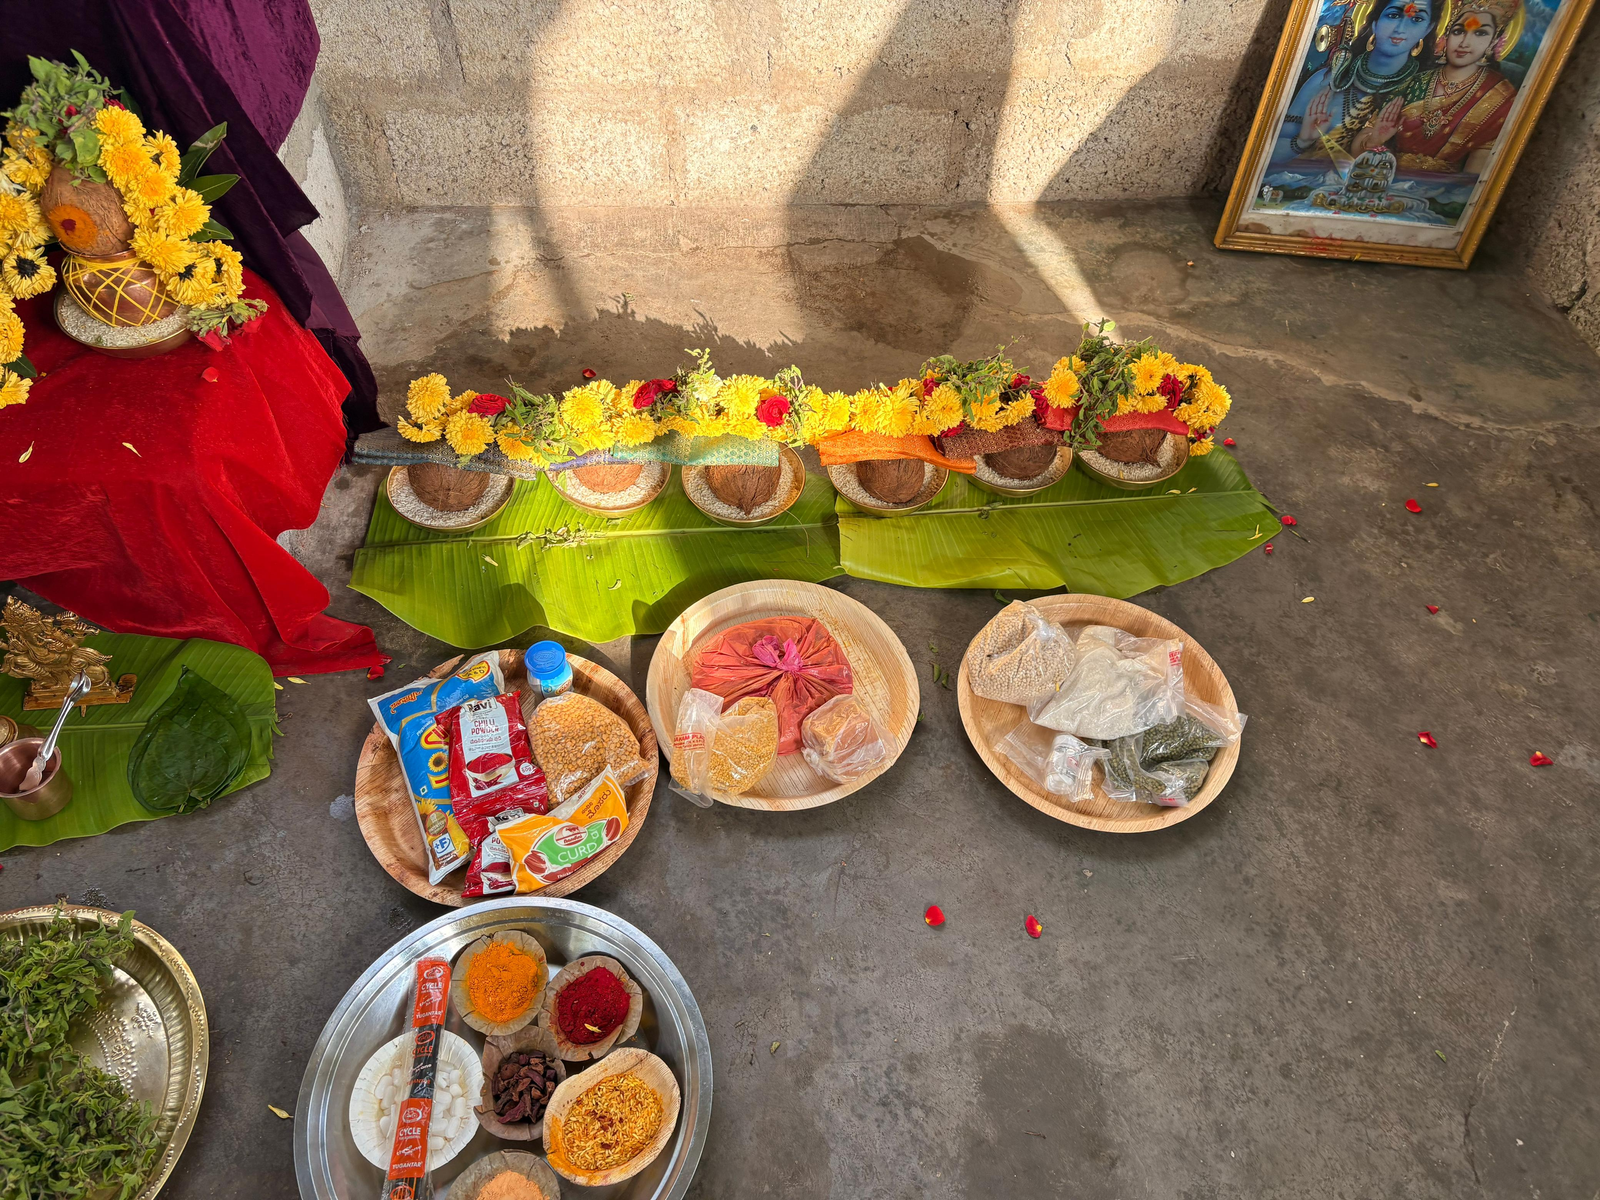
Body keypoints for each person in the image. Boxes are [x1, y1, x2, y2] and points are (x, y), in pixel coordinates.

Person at [1351, 0, 1521, 174]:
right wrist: (1374, 141)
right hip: (1385, 180)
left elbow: (1475, 178)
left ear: (1493, 41)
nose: (1465, 42)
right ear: (1447, 35)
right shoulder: (1412, 83)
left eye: (1480, 33)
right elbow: (1358, 151)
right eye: (1459, 31)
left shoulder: (1500, 98)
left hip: (1445, 194)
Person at [1272, 0, 1443, 164]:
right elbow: (1266, 154)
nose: (1401, 28)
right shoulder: (1328, 80)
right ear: (1375, 21)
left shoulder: (1421, 94)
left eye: (1417, 19)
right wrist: (1303, 141)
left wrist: (1374, 143)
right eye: (1393, 15)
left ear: (1428, 29)